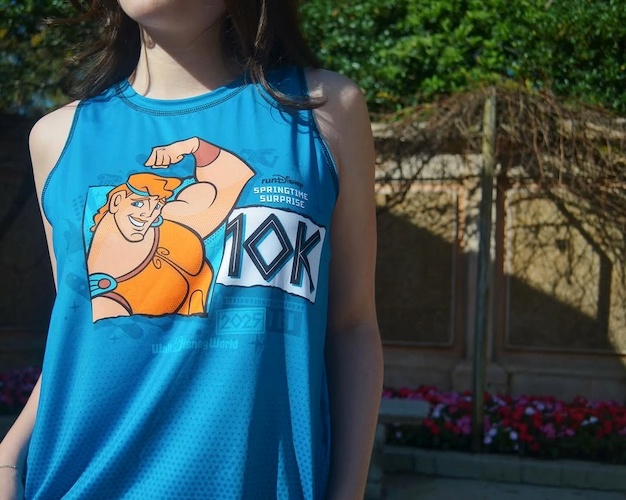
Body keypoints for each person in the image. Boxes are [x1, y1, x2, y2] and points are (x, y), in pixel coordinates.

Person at [0, 0, 383, 498]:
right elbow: (77, 339)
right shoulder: (56, 138)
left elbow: (352, 327)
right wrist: (9, 457)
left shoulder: (322, 110)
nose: (145, 210)